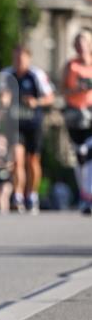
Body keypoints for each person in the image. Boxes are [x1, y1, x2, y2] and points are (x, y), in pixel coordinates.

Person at [0, 45, 54, 214]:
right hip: (15, 124)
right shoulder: (6, 75)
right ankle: (18, 195)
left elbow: (50, 97)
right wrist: (3, 101)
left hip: (33, 124)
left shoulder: (36, 75)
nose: (18, 62)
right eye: (15, 58)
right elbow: (2, 96)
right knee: (17, 159)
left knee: (33, 161)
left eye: (21, 58)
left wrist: (36, 102)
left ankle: (32, 195)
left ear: (28, 58)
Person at [61, 30, 92, 214]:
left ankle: (89, 194)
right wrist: (77, 89)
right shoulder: (70, 66)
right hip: (75, 114)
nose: (81, 47)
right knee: (80, 155)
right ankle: (84, 194)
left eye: (85, 43)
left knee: (88, 152)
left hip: (91, 112)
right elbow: (63, 91)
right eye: (78, 44)